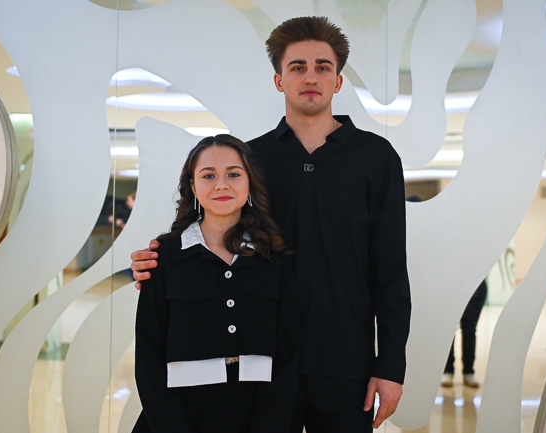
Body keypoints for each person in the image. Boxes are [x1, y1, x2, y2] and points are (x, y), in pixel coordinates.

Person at [131, 17, 411, 432]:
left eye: (322, 67)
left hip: (345, 361)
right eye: (297, 67)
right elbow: (211, 235)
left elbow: (390, 270)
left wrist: (390, 365)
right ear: (279, 80)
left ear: (338, 81)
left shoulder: (376, 158)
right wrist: (160, 260)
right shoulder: (251, 161)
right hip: (261, 368)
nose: (310, 77)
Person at [132, 135, 299, 433]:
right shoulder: (164, 258)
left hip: (258, 414)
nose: (221, 185)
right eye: (208, 176)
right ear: (193, 187)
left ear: (249, 184)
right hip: (178, 416)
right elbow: (148, 360)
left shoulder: (274, 260)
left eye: (233, 174)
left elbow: (288, 355)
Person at [440, 280, 487, 388]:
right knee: (449, 330)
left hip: (476, 288)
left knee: (470, 330)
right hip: (451, 286)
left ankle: (469, 372)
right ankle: (448, 370)